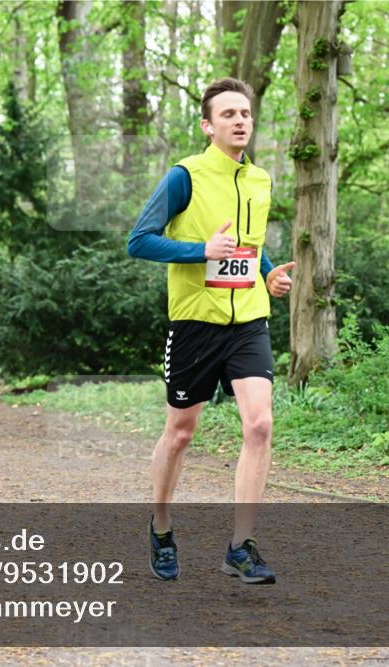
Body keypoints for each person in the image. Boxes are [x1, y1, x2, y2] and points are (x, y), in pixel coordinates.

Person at [127, 77, 296, 583]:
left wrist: (267, 271)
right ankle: (160, 528)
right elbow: (140, 241)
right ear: (208, 125)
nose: (240, 120)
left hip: (248, 319)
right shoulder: (186, 176)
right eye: (228, 114)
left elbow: (249, 243)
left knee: (260, 424)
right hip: (195, 323)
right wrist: (200, 250)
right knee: (181, 433)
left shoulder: (261, 180)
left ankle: (240, 547)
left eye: (245, 113)